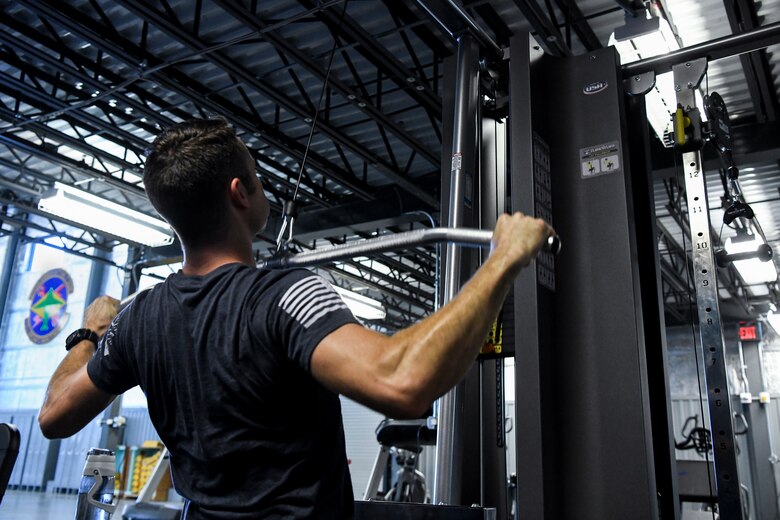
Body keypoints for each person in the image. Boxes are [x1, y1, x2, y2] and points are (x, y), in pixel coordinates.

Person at [38, 118, 553, 519]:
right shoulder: (282, 296)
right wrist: (503, 260)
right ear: (240, 193)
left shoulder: (139, 319)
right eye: (259, 181)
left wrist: (89, 332)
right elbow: (404, 381)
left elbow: (54, 415)